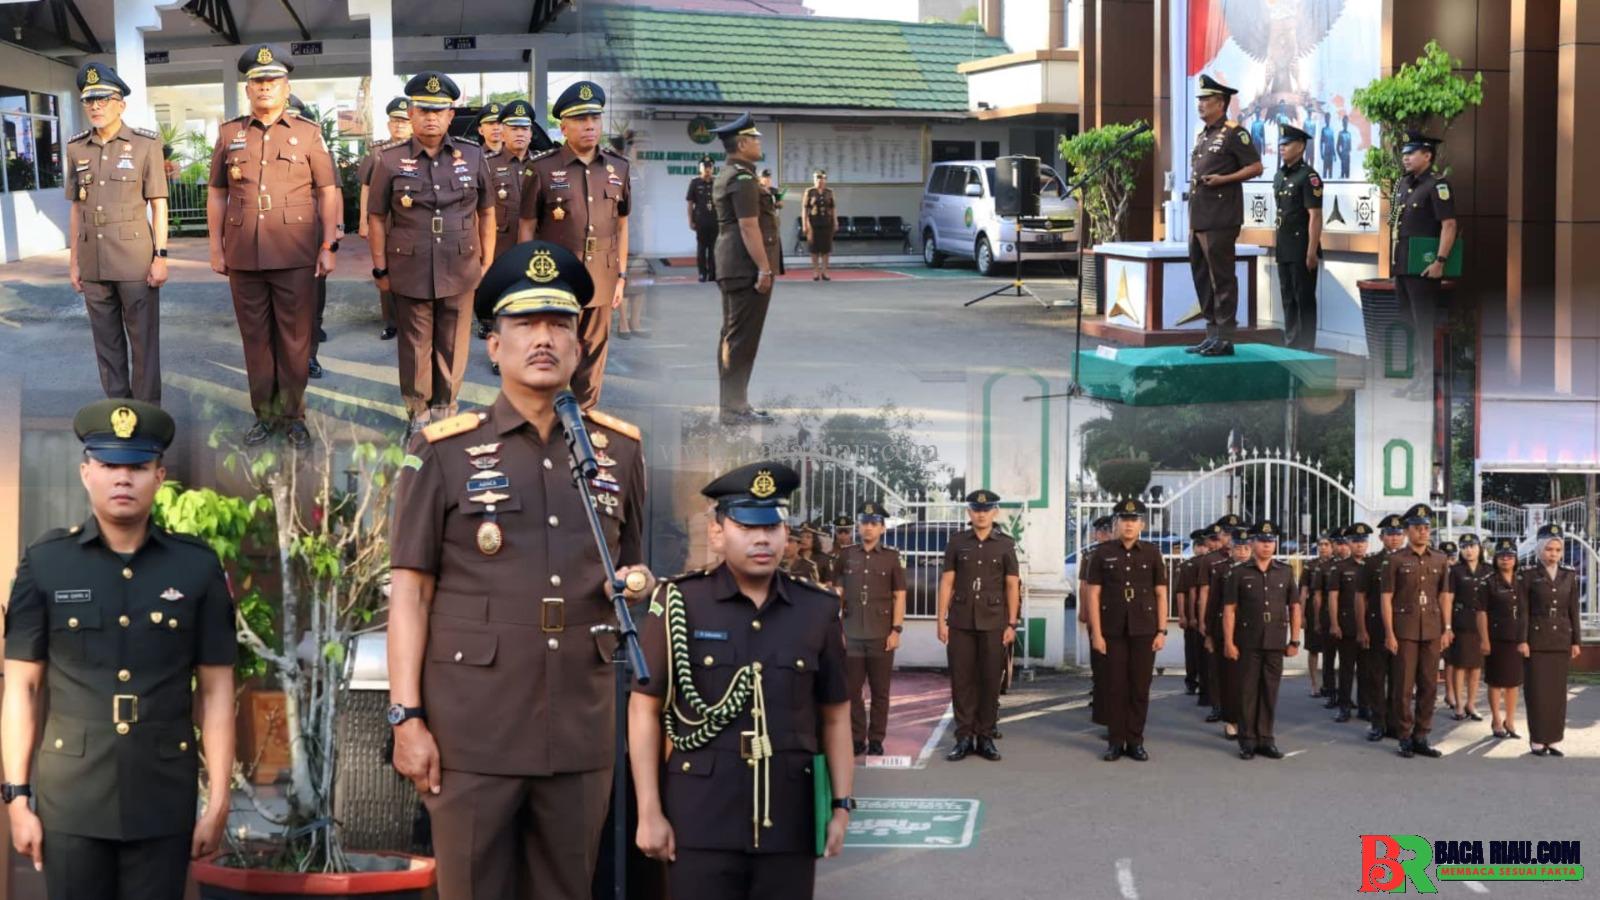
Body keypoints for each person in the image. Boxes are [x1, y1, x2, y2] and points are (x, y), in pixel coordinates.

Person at [387, 240, 654, 899]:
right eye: (525, 324)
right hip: (473, 728)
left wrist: (635, 586)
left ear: (579, 345)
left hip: (579, 725)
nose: (543, 339)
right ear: (493, 345)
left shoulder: (618, 451)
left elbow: (634, 571)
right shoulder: (445, 450)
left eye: (559, 324)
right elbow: (410, 594)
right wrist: (406, 716)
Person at [3, 399, 236, 899]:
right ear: (85, 472)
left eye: (137, 467)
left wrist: (219, 800)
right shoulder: (46, 564)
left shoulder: (196, 567)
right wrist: (17, 797)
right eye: (109, 465)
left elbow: (216, 691)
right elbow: (21, 687)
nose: (123, 478)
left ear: (159, 476)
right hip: (72, 798)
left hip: (162, 794)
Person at [629, 462, 854, 900]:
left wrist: (841, 806)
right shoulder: (679, 603)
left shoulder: (817, 609)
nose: (762, 539)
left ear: (785, 533)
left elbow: (836, 715)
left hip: (789, 818)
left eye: (772, 526)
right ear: (717, 533)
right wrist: (649, 810)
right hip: (699, 817)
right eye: (747, 526)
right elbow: (644, 709)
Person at [206, 44, 340, 449]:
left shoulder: (308, 133)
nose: (265, 87)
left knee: (295, 339)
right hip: (244, 252)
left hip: (295, 252)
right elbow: (217, 192)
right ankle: (265, 415)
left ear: (287, 87)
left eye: (273, 80)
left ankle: (293, 415)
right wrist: (216, 246)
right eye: (257, 81)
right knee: (256, 339)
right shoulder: (229, 133)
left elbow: (328, 190)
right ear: (248, 89)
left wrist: (328, 244)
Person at [367, 70, 495, 437]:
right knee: (414, 344)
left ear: (451, 115)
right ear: (410, 114)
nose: (431, 118)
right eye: (423, 110)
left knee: (453, 343)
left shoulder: (473, 156)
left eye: (439, 111)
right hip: (410, 265)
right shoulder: (389, 160)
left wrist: (486, 261)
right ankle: (418, 412)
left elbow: (487, 211)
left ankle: (446, 408)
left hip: (460, 263)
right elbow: (376, 217)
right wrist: (380, 269)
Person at [518, 80, 631, 412]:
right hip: (556, 277)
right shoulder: (541, 168)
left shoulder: (618, 168)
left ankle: (584, 414)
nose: (590, 125)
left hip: (602, 276)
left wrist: (621, 276)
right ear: (564, 126)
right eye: (581, 119)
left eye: (595, 118)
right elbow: (527, 226)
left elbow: (622, 225)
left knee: (593, 351)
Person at [66, 62, 169, 405]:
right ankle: (120, 413)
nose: (95, 106)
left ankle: (147, 415)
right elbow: (76, 208)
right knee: (106, 345)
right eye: (89, 101)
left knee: (144, 344)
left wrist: (160, 256)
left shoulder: (144, 144)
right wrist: (74, 262)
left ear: (121, 104)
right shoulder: (76, 148)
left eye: (103, 99)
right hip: (93, 262)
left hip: (134, 261)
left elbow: (159, 204)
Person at [707, 112, 779, 425]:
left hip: (733, 264)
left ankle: (734, 405)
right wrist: (764, 268)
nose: (759, 143)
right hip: (745, 267)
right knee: (740, 340)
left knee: (733, 337)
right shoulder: (743, 178)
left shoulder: (733, 174)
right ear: (742, 144)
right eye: (755, 139)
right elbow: (749, 226)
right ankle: (735, 409)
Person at [937, 489, 1019, 762]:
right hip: (961, 620)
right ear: (969, 512)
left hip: (994, 622)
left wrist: (1011, 623)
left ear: (995, 512)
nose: (981, 514)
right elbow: (947, 582)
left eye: (986, 510)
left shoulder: (1005, 544)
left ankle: (985, 737)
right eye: (976, 509)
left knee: (989, 680)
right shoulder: (957, 542)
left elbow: (1012, 585)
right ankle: (963, 737)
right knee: (961, 680)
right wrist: (941, 620)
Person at [1084, 498, 1169, 762]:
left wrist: (1161, 630)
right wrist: (1096, 633)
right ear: (1116, 524)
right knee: (1115, 686)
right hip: (1112, 630)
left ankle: (1135, 741)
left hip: (1144, 629)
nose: (1129, 525)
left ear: (1142, 524)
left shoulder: (1152, 553)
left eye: (1134, 520)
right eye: (1124, 520)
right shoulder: (1102, 553)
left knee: (1140, 687)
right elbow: (1093, 595)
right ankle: (1115, 741)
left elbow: (1161, 593)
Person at [1187, 75, 1264, 357]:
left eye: (1206, 99)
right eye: (1200, 99)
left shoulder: (1234, 133)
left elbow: (1256, 167)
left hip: (1221, 217)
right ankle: (1211, 333)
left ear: (1220, 103)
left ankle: (1225, 337)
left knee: (1221, 277)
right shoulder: (1204, 135)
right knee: (1201, 276)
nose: (1200, 104)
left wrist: (1225, 179)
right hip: (1199, 217)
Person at [1222, 520, 1301, 760]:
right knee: (1247, 691)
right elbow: (1229, 610)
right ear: (1253, 543)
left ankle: (1266, 739)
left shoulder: (1285, 571)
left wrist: (1295, 640)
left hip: (1275, 640)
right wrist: (1228, 642)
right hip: (1248, 640)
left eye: (1271, 541)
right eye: (1262, 541)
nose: (1267, 545)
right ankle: (1247, 740)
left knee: (1269, 691)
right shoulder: (1238, 572)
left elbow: (1295, 607)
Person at [1380, 503, 1452, 759]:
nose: (1423, 532)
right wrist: (1389, 632)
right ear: (1407, 531)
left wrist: (1447, 627)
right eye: (1417, 528)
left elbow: (1444, 596)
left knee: (1429, 685)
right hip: (1405, 631)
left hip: (1432, 629)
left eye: (1426, 527)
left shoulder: (1440, 559)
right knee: (1403, 686)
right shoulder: (1395, 560)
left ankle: (1421, 735)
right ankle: (1404, 736)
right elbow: (1386, 598)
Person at [834, 501, 906, 756]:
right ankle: (857, 738)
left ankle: (876, 738)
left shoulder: (891, 557)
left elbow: (899, 594)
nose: (868, 528)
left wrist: (896, 630)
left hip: (881, 634)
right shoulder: (846, 555)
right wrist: (836, 629)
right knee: (852, 691)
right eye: (864, 523)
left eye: (874, 523)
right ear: (858, 526)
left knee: (880, 691)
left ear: (882, 528)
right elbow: (838, 592)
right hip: (852, 633)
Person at [475, 99, 541, 367]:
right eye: (514, 128)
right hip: (499, 249)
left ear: (531, 132)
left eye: (525, 128)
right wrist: (481, 255)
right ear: (502, 131)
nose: (520, 134)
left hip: (535, 249)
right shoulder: (486, 164)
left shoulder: (544, 164)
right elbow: (478, 212)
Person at [1520, 524, 1581, 757]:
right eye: (1549, 549)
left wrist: (1576, 641)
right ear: (1539, 550)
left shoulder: (1569, 574)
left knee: (1557, 693)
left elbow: (1573, 610)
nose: (1553, 554)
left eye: (1557, 550)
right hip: (1536, 640)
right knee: (1537, 691)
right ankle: (1537, 738)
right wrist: (1523, 640)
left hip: (1561, 639)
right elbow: (1523, 611)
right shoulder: (1528, 575)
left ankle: (1554, 738)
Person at [284, 93, 333, 382]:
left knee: (312, 299)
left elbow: (332, 191)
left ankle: (310, 356)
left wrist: (333, 232)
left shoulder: (313, 142)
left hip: (309, 230)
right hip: (274, 234)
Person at [1391, 132, 1457, 338]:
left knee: (1423, 328)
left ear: (1427, 156)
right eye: (1404, 154)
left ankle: (1424, 362)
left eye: (1411, 153)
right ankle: (1412, 361)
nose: (1405, 158)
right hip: (1402, 266)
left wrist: (1440, 262)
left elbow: (1449, 225)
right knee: (1407, 326)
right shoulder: (1403, 184)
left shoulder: (1437, 185)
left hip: (1423, 268)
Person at [358, 97, 412, 342]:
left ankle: (410, 319)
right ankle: (391, 322)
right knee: (384, 270)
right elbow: (366, 187)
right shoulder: (378, 151)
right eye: (395, 121)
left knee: (412, 272)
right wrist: (363, 221)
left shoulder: (419, 151)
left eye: (404, 121)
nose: (399, 125)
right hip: (384, 221)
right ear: (388, 124)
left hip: (411, 222)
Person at [1272, 124, 1323, 350]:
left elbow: (1315, 216)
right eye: (1281, 144)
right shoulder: (1280, 175)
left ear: (1301, 146)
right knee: (1288, 298)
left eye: (1287, 144)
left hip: (1302, 247)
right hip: (1284, 246)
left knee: (1304, 299)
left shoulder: (1308, 176)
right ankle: (1291, 345)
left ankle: (1306, 349)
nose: (1282, 148)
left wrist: (1311, 251)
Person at [1358, 514, 1405, 739]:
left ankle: (1394, 723)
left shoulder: (1410, 560)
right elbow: (1361, 597)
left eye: (1398, 534)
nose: (1394, 538)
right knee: (1376, 677)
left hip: (1404, 628)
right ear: (1381, 537)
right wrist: (1362, 628)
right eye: (1389, 534)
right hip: (1377, 627)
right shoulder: (1371, 563)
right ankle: (1378, 723)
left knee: (1399, 679)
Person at [1204, 527, 1252, 738]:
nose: (1242, 552)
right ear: (1231, 549)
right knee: (1230, 678)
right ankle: (1231, 720)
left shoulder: (1257, 568)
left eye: (1246, 548)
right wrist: (1209, 634)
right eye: (1238, 548)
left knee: (1250, 678)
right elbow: (1213, 602)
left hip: (1251, 629)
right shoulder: (1221, 569)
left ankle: (1249, 720)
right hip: (1225, 628)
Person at [1325, 523, 1373, 722]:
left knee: (1366, 669)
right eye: (1355, 541)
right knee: (1346, 668)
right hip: (1347, 625)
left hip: (1369, 625)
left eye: (1363, 541)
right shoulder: (1340, 567)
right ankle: (1344, 706)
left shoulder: (1372, 565)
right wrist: (1334, 623)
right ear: (1349, 543)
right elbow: (1333, 597)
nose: (1359, 545)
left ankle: (1364, 706)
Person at [1483, 538, 1525, 741]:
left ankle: (1510, 720)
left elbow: (1526, 611)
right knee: (1495, 681)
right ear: (1496, 559)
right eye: (1502, 556)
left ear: (1515, 559)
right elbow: (1481, 613)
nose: (1506, 559)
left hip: (1516, 637)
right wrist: (1484, 639)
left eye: (1510, 556)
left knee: (1513, 682)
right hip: (1496, 638)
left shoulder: (1522, 581)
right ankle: (1496, 720)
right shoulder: (1489, 582)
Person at [1445, 535, 1489, 722]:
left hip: (1481, 622)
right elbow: (1448, 599)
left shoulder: (1488, 570)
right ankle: (1459, 705)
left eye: (1472, 546)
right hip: (1461, 621)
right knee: (1460, 664)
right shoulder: (1455, 571)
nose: (1468, 550)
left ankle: (1471, 703)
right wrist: (1447, 625)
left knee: (1476, 666)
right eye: (1464, 547)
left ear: (1479, 548)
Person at [1078, 515, 1114, 729]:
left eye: (1107, 530)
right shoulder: (1091, 555)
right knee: (1099, 658)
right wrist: (1084, 611)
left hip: (1114, 613)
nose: (1103, 534)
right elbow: (1084, 585)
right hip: (1097, 612)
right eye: (1101, 531)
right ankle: (1099, 691)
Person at [1315, 528, 1349, 708]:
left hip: (1349, 618)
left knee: (1347, 660)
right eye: (1339, 544)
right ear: (1334, 545)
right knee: (1329, 657)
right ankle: (1330, 692)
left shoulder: (1357, 565)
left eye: (1345, 543)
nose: (1342, 547)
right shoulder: (1324, 567)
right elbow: (1318, 596)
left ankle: (1345, 695)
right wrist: (1317, 620)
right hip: (1329, 617)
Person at [1177, 529, 1212, 700]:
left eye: (1204, 545)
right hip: (1197, 615)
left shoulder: (1211, 563)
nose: (1201, 549)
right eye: (1199, 545)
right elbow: (1183, 592)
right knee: (1193, 651)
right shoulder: (1189, 565)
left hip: (1204, 614)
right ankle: (1193, 682)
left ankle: (1198, 683)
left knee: (1199, 652)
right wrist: (1184, 615)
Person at [1299, 534, 1333, 699]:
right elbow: (1303, 591)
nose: (1323, 547)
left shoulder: (1336, 564)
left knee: (1329, 650)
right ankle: (1314, 684)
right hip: (1313, 611)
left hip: (1331, 609)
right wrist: (1301, 615)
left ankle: (1329, 684)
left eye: (1326, 544)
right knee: (1313, 649)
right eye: (1320, 544)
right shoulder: (1310, 566)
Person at [686, 156, 718, 282]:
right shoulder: (695, 183)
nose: (707, 169)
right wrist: (690, 221)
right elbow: (690, 203)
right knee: (701, 249)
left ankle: (713, 273)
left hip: (715, 220)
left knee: (714, 249)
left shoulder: (717, 182)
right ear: (700, 168)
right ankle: (702, 273)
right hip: (701, 221)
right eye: (705, 167)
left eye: (710, 167)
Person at [801, 169, 837, 281]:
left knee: (826, 249)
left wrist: (835, 221)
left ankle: (825, 272)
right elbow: (805, 209)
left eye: (822, 178)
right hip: (813, 223)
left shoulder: (829, 192)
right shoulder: (809, 191)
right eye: (817, 178)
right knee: (814, 249)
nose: (820, 180)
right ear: (814, 179)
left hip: (827, 222)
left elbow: (833, 208)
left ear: (825, 179)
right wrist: (804, 224)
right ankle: (816, 271)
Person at [759, 169, 786, 277]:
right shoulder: (757, 190)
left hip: (773, 223)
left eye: (769, 177)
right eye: (765, 177)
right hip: (762, 223)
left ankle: (773, 269)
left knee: (774, 248)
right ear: (760, 178)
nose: (767, 180)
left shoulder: (774, 191)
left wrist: (778, 203)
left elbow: (781, 204)